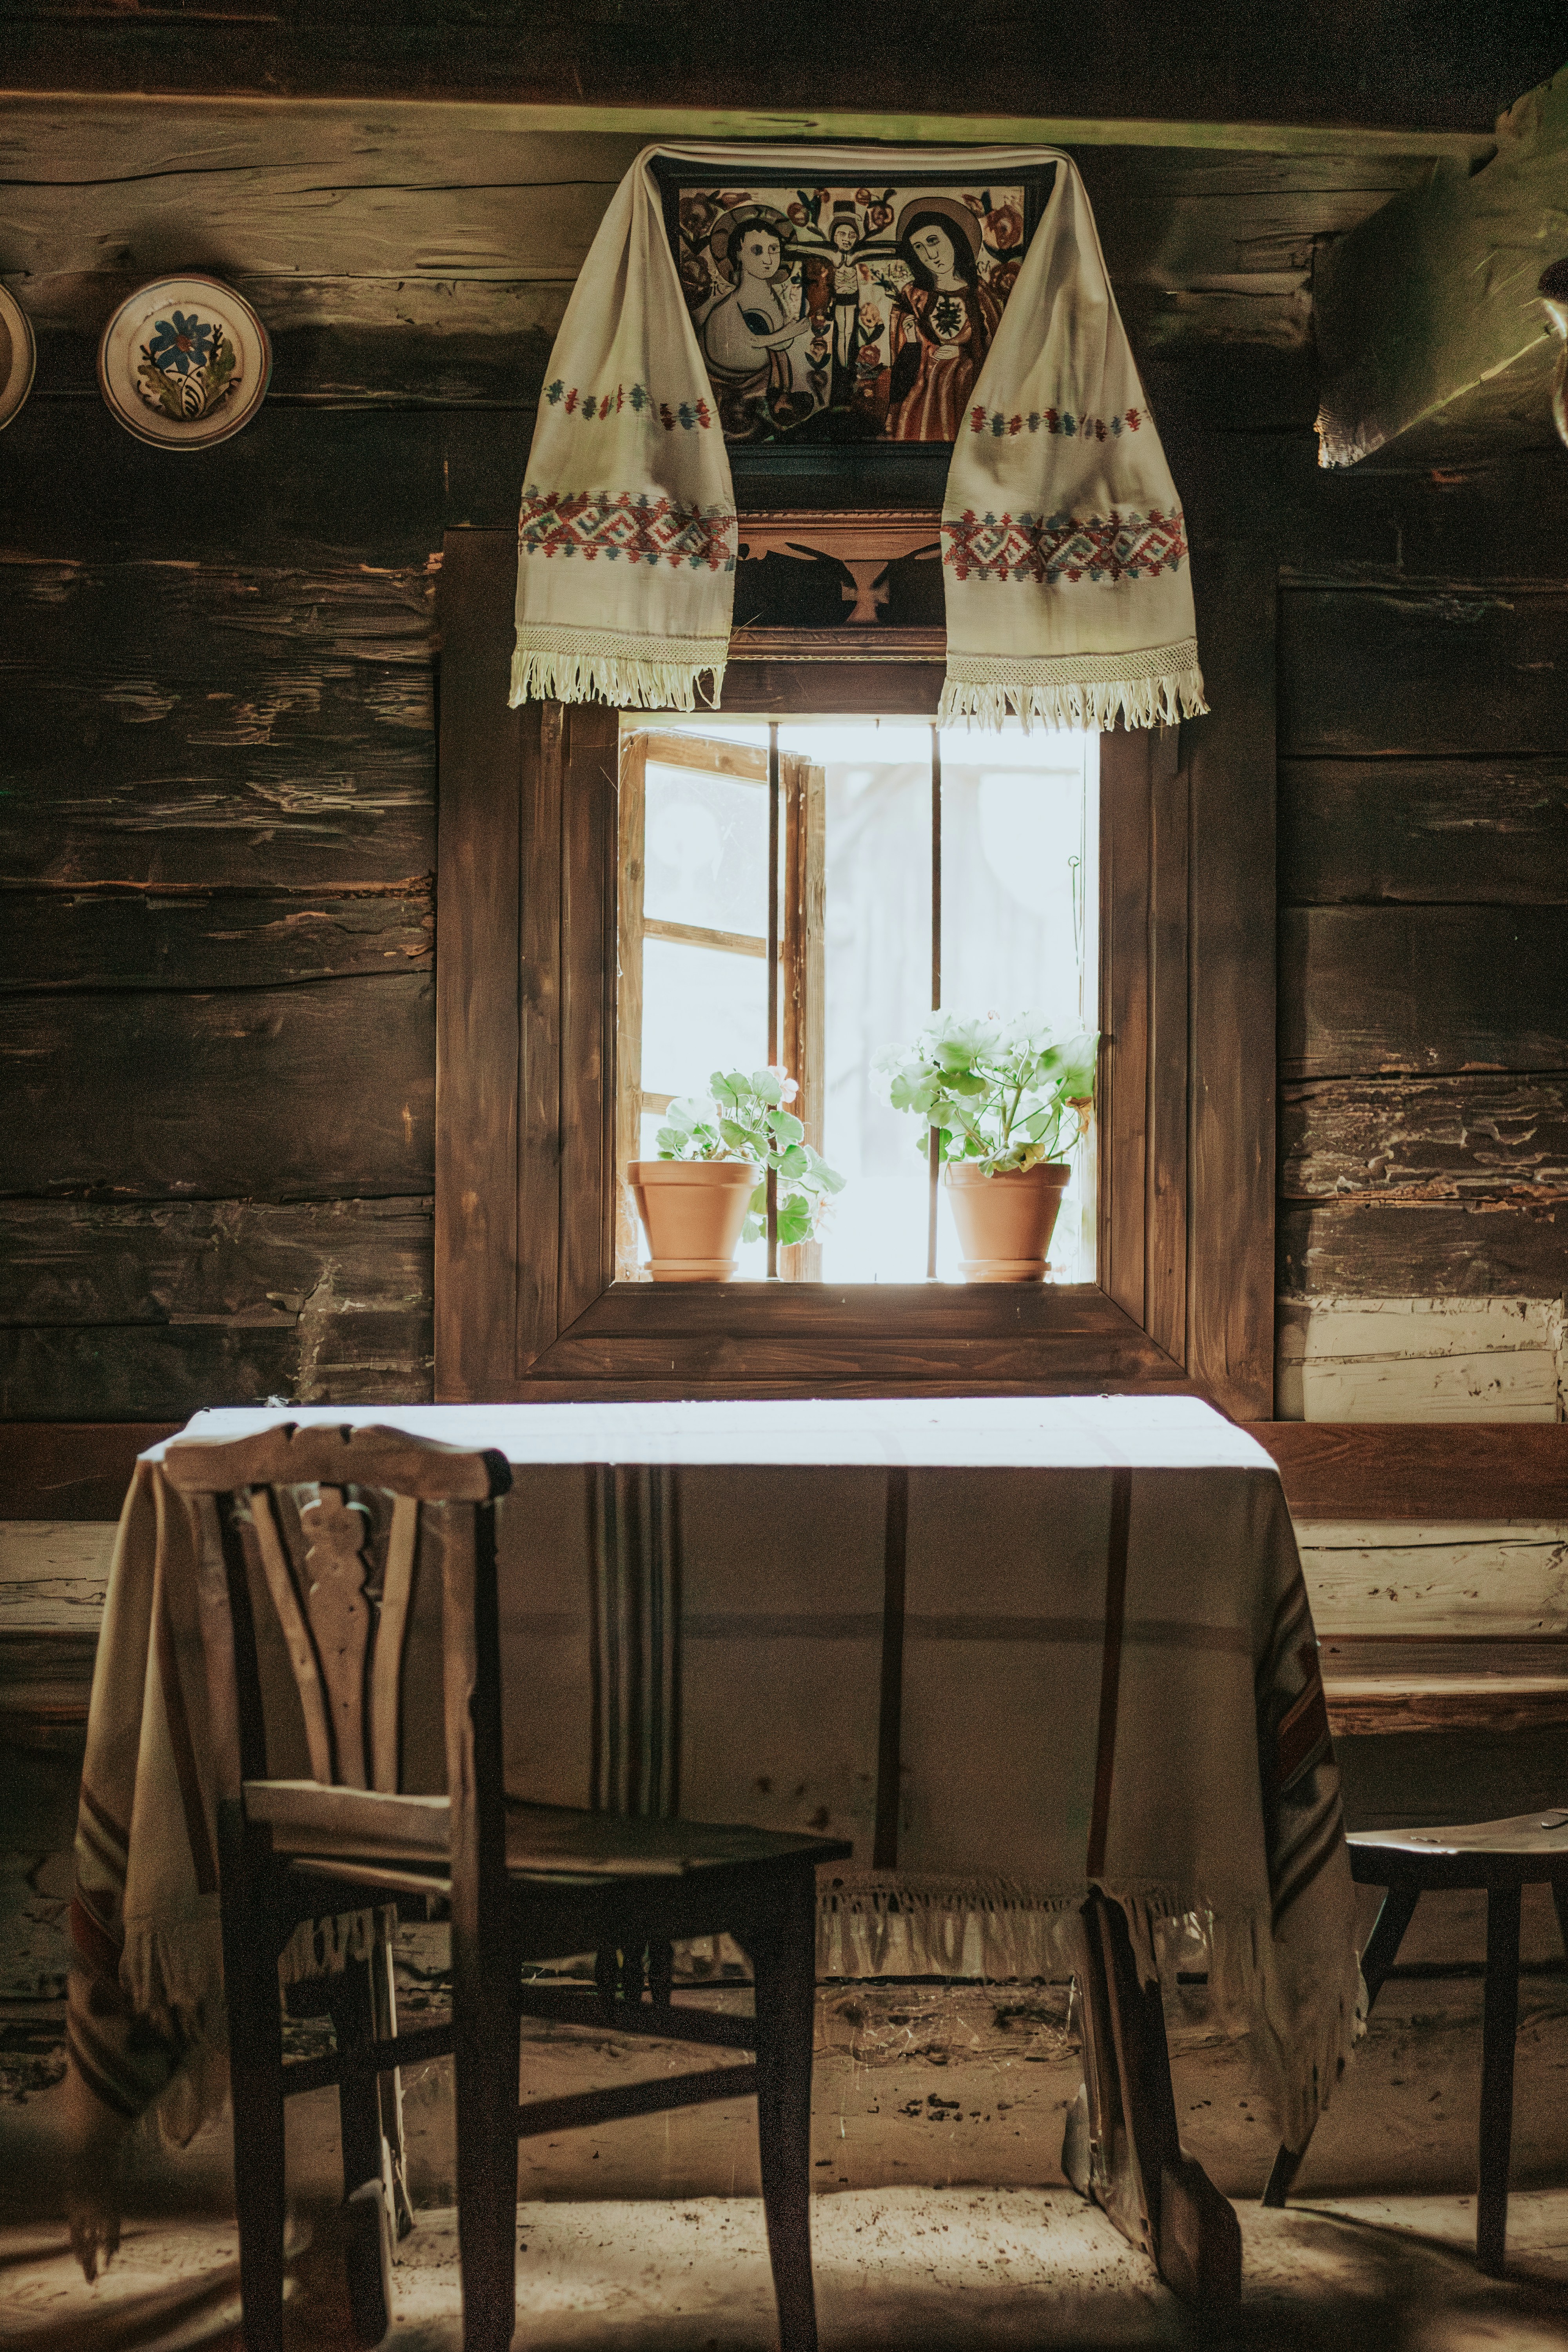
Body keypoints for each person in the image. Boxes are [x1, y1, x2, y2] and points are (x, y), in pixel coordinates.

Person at [886, 200, 1002, 442]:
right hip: (922, 402)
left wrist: (963, 355)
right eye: (919, 247)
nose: (931, 255)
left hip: (968, 398)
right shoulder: (912, 297)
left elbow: (999, 359)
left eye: (933, 241)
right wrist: (914, 340)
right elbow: (902, 365)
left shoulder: (982, 296)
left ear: (954, 239)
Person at [700, 208, 817, 434]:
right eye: (757, 250)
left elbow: (779, 346)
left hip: (761, 379)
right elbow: (747, 342)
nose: (768, 259)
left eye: (774, 249)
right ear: (739, 254)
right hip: (728, 380)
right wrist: (788, 333)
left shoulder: (772, 297)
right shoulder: (731, 305)